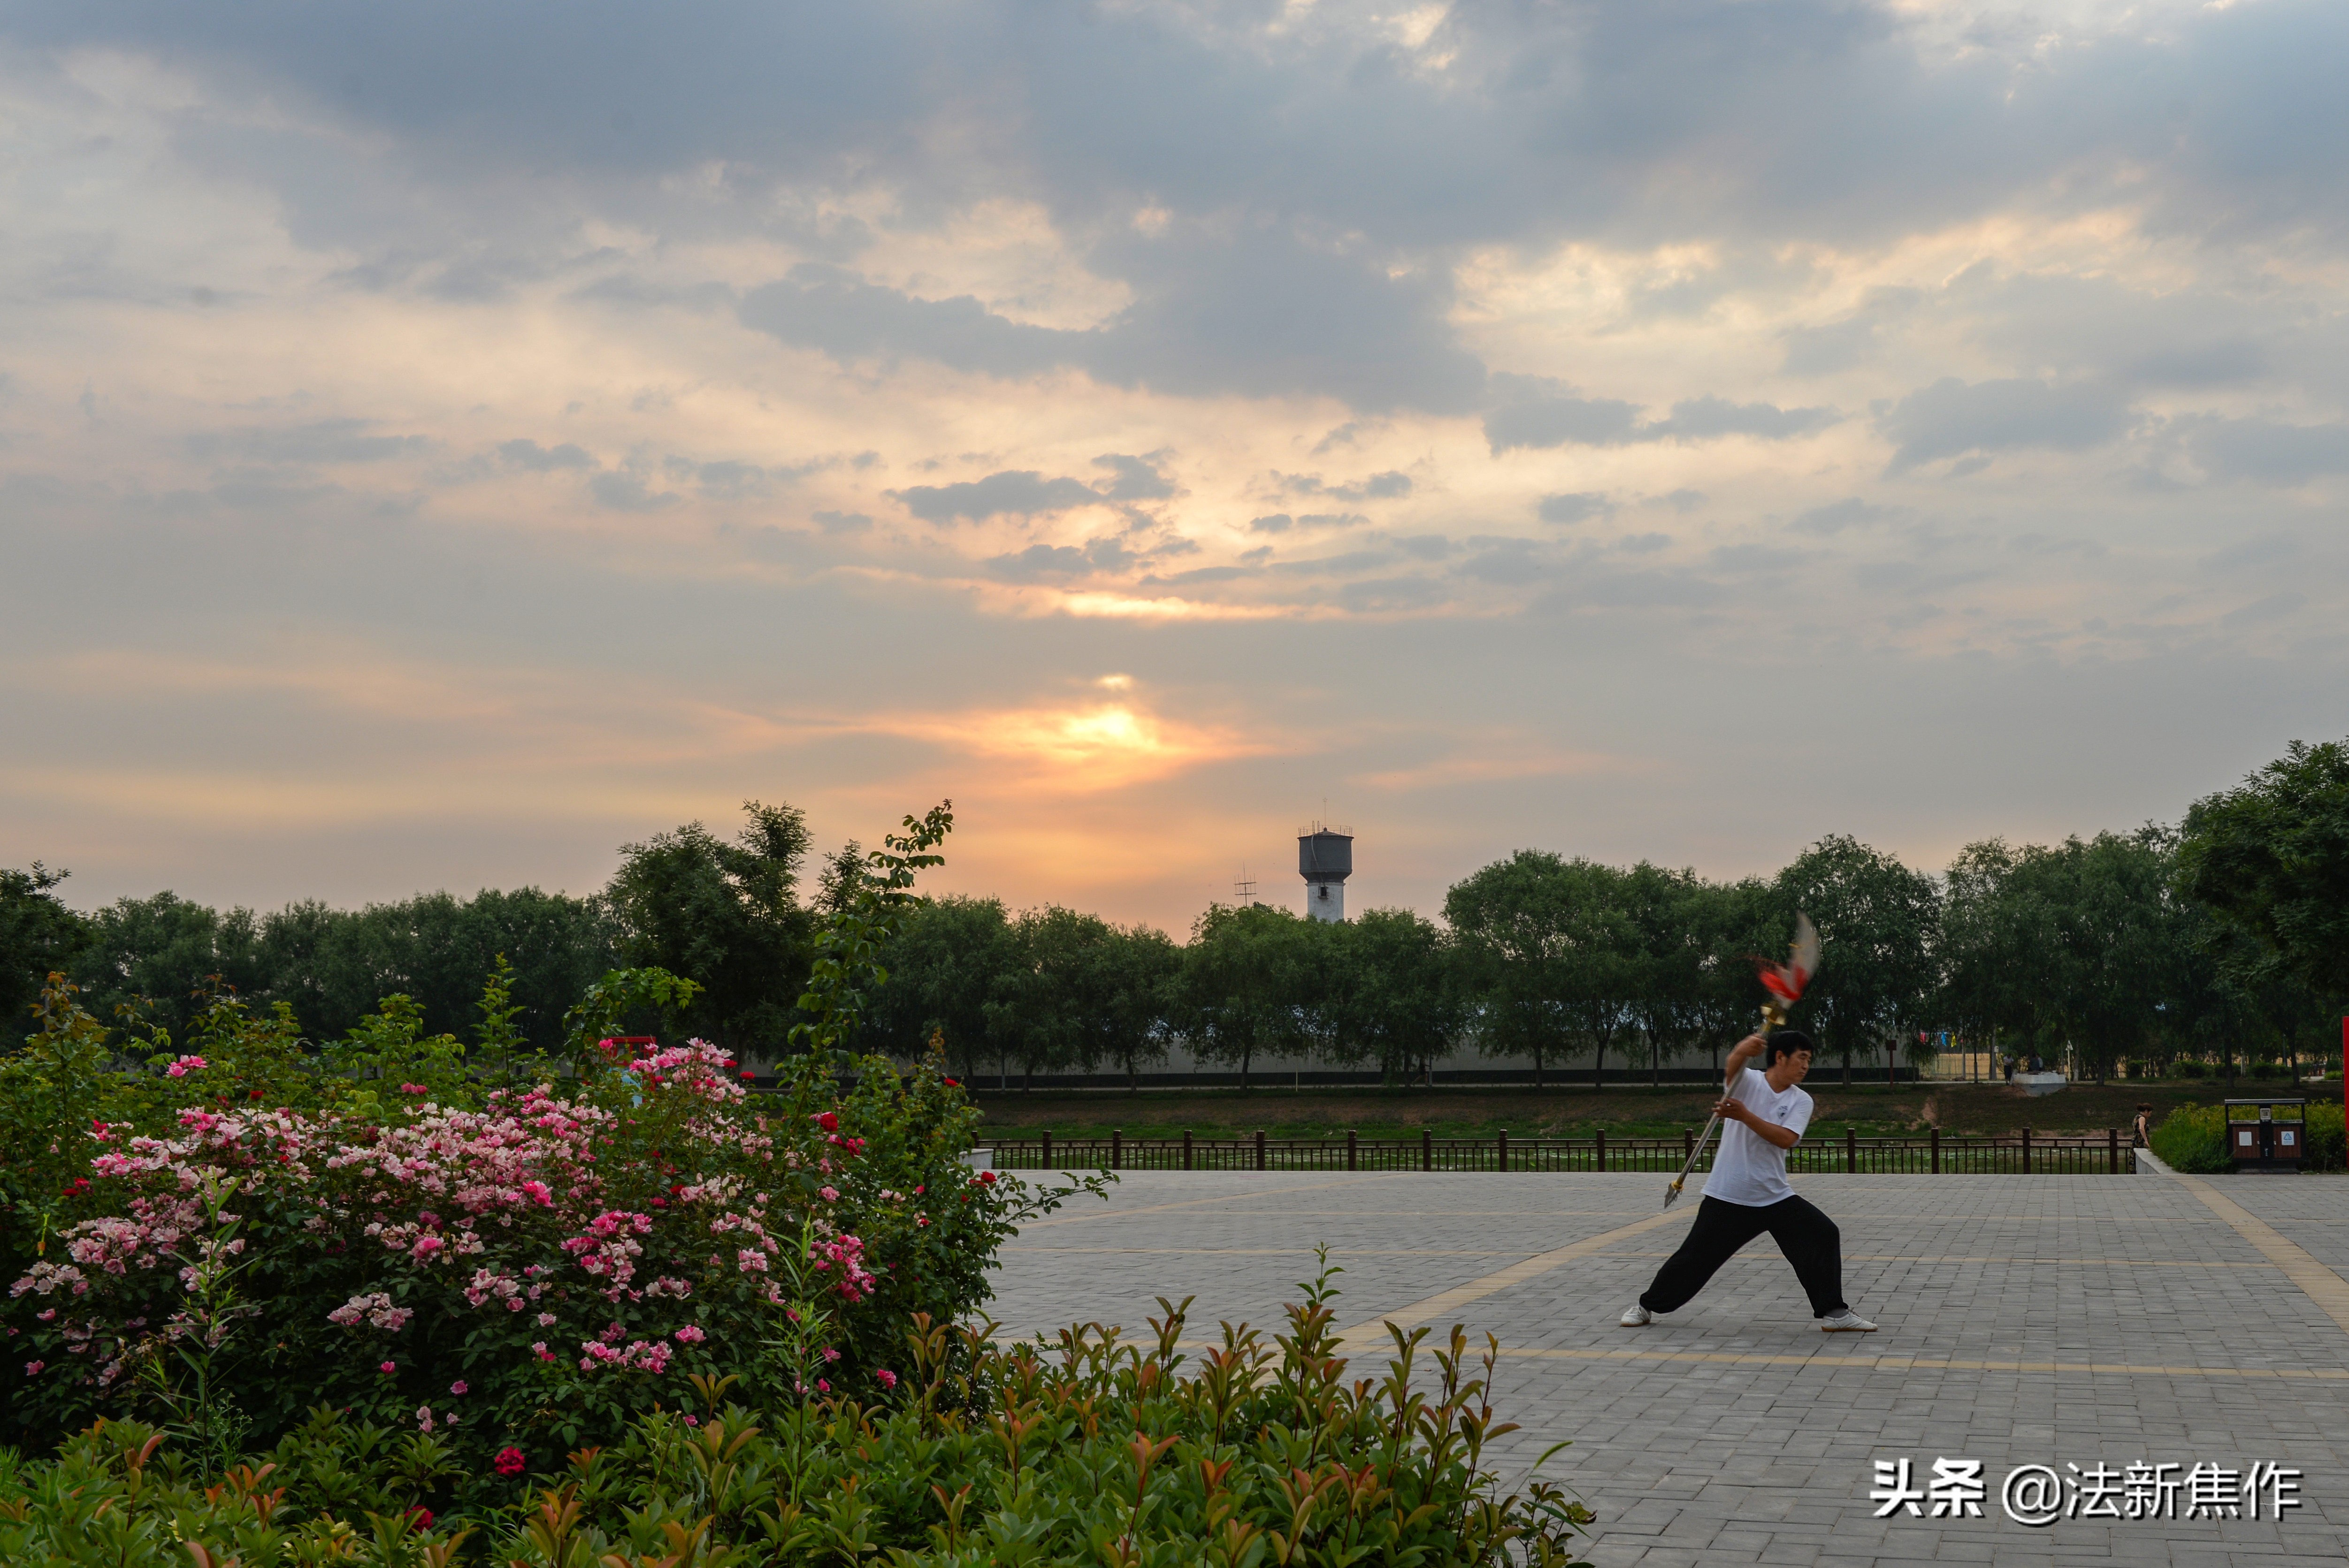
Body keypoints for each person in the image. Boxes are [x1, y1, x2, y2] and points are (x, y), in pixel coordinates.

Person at [1620, 1029, 1877, 1332]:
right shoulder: (1747, 1082)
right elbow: (1733, 1063)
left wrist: (1745, 1116)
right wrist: (1743, 1047)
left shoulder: (1801, 1100)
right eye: (1801, 1058)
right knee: (1694, 1258)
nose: (1806, 1065)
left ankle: (1834, 1312)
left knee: (1822, 1233)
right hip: (1729, 1195)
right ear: (1780, 1057)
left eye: (1809, 1059)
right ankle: (1646, 1306)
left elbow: (1784, 1139)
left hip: (1774, 1195)